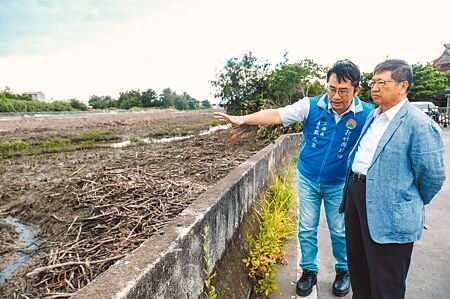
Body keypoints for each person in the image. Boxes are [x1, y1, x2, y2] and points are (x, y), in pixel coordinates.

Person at [214, 60, 374, 297]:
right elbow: (278, 115)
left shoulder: (368, 114)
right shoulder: (311, 105)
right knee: (307, 226)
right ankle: (308, 271)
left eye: (343, 91)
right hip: (308, 176)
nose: (335, 96)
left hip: (339, 182)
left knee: (340, 230)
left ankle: (343, 270)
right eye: (331, 88)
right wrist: (243, 119)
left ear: (356, 90)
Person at [340, 59, 446, 298]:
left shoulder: (419, 124)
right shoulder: (374, 116)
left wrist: (406, 199)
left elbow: (432, 176)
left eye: (382, 82)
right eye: (373, 81)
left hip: (390, 210)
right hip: (356, 200)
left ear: (403, 86)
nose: (375, 88)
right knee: (359, 271)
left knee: (386, 282)